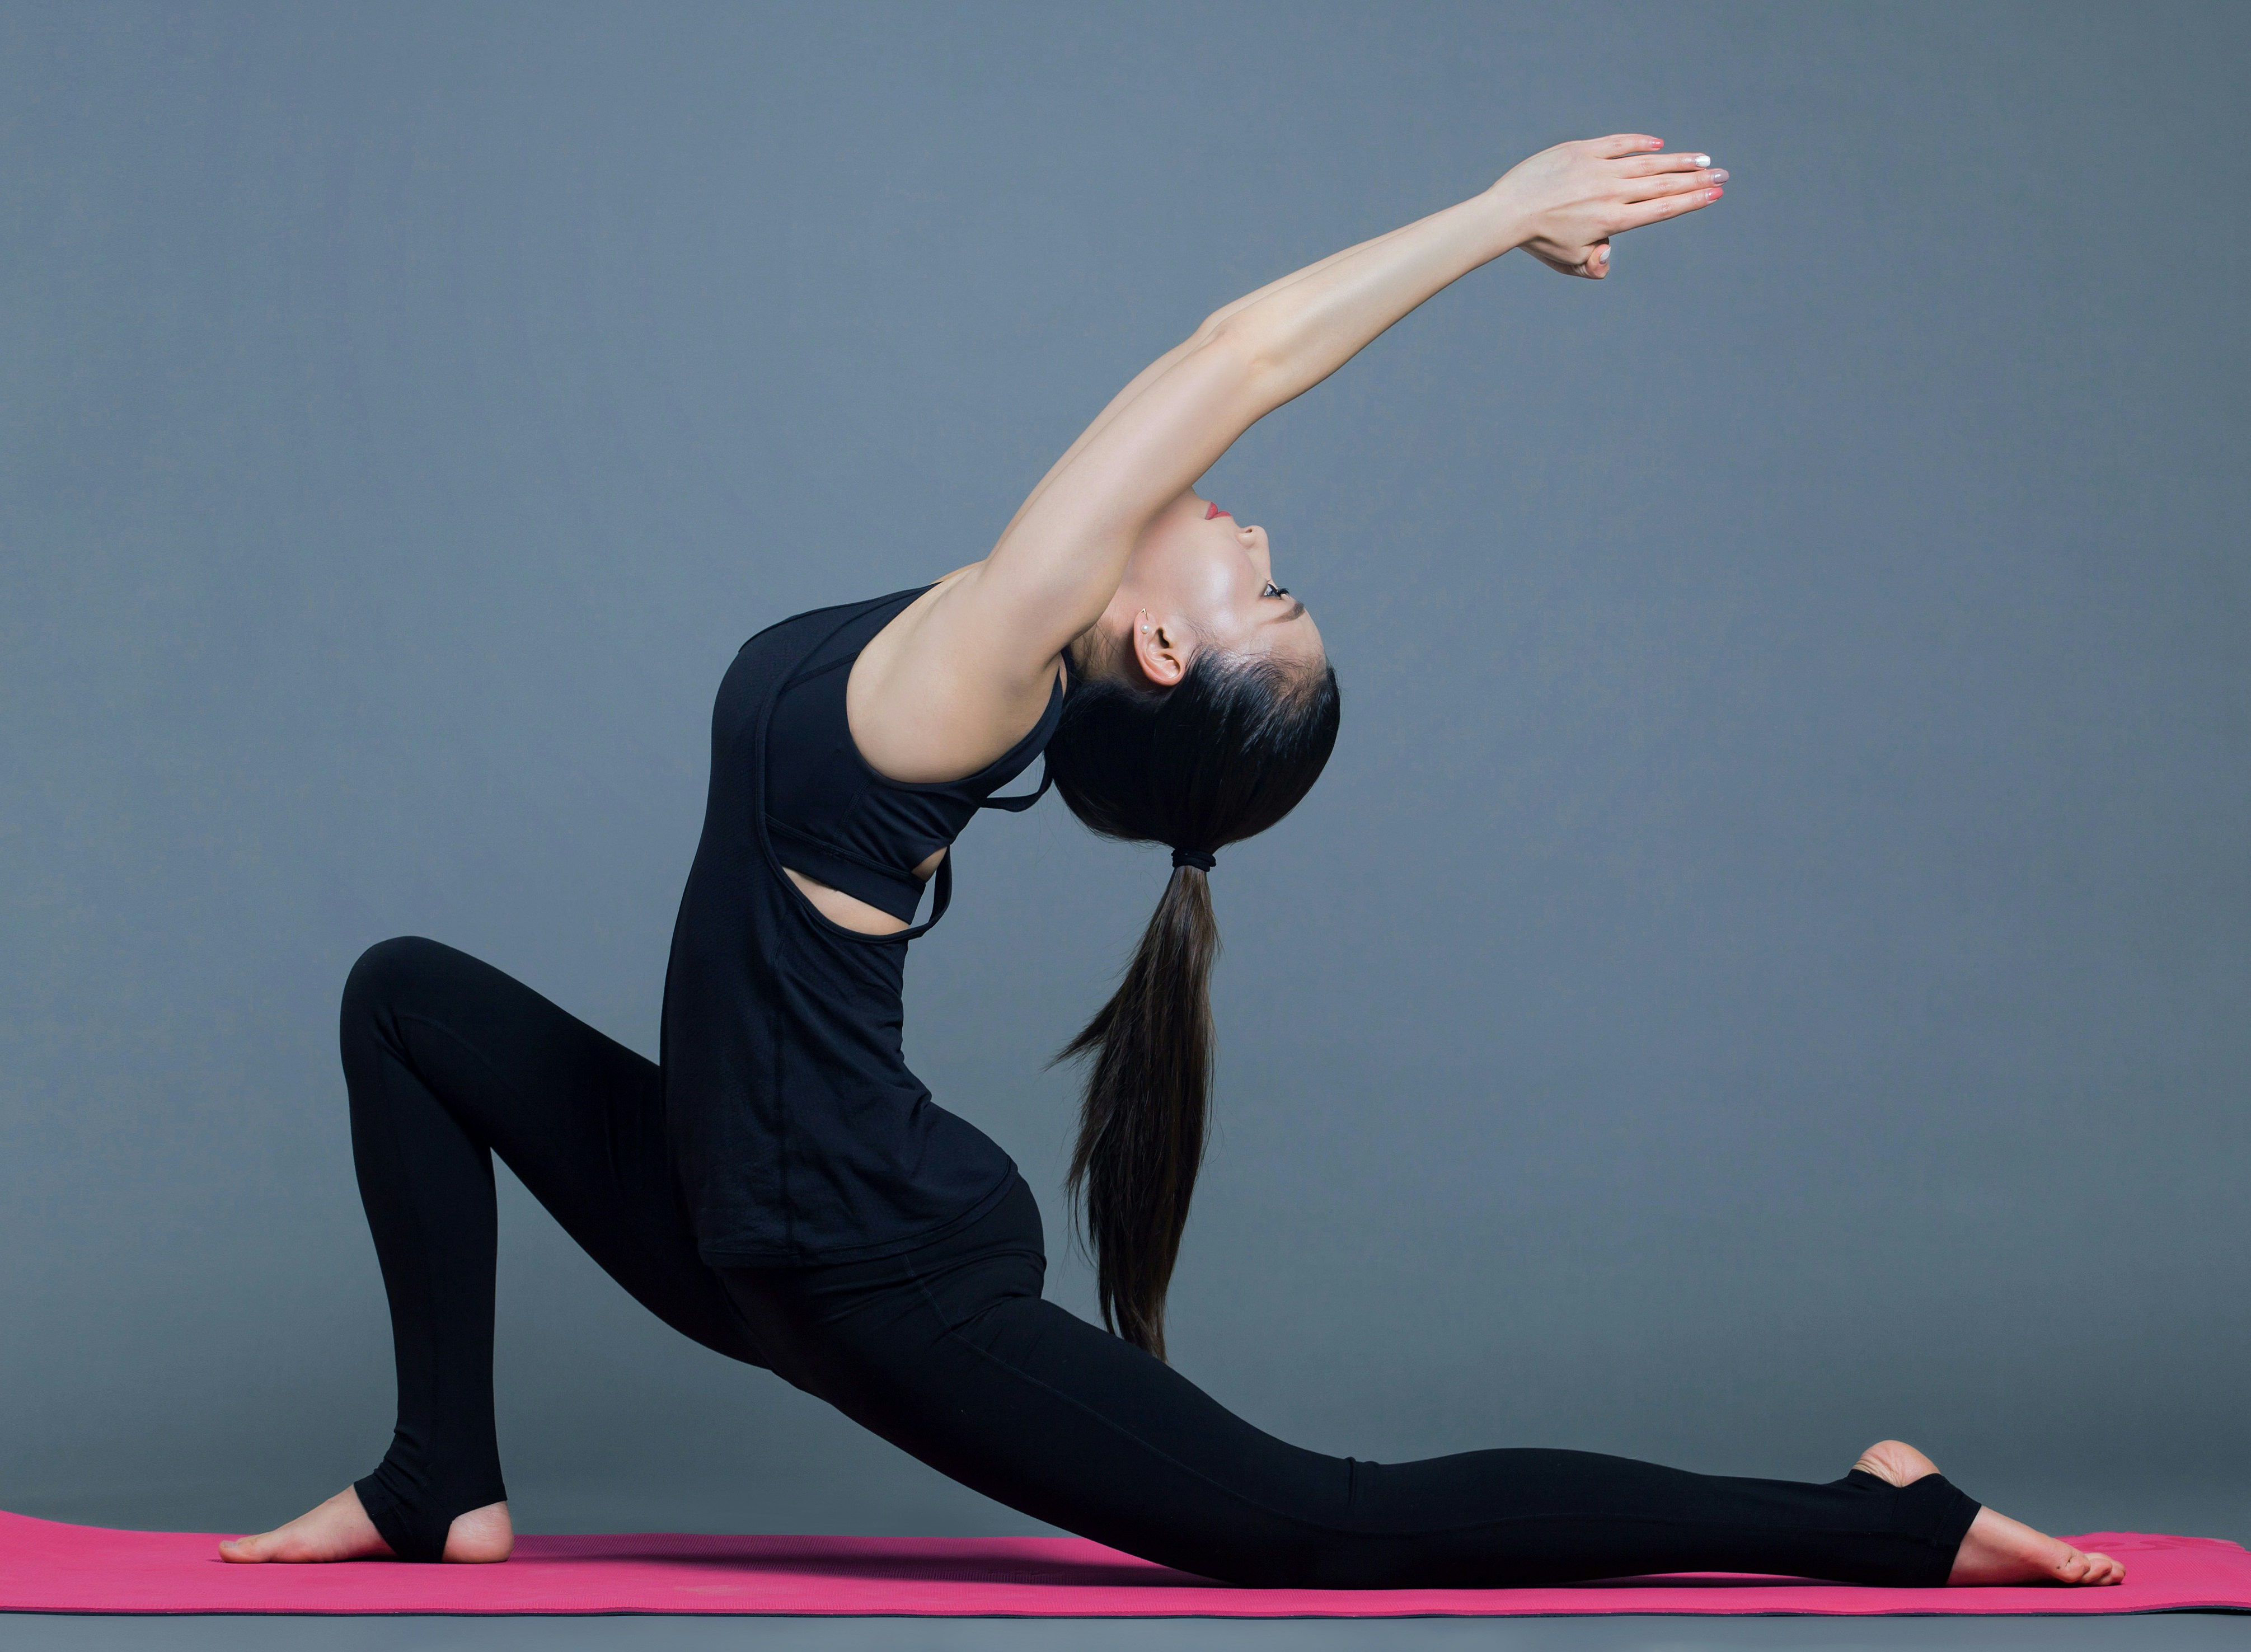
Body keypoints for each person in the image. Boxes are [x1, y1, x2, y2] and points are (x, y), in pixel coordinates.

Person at [219, 135, 2121, 1589]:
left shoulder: (977, 675)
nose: (1255, 530)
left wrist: (1495, 210)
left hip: (873, 1276)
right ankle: (436, 1478)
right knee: (406, 1001)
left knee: (1327, 1532)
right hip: (729, 1215)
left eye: (1266, 592)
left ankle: (1878, 1521)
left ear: (1155, 649)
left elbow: (1233, 356)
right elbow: (1215, 394)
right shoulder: (1001, 629)